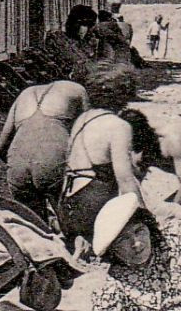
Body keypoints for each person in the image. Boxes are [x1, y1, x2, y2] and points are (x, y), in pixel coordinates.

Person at [56, 69, 157, 252]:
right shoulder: (118, 126)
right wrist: (146, 219)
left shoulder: (83, 119)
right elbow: (125, 180)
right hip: (92, 207)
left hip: (67, 207)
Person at [0, 79, 87, 217]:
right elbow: (89, 132)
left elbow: (1, 147)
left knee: (32, 224)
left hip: (18, 163)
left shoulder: (24, 94)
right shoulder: (76, 89)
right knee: (69, 220)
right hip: (54, 158)